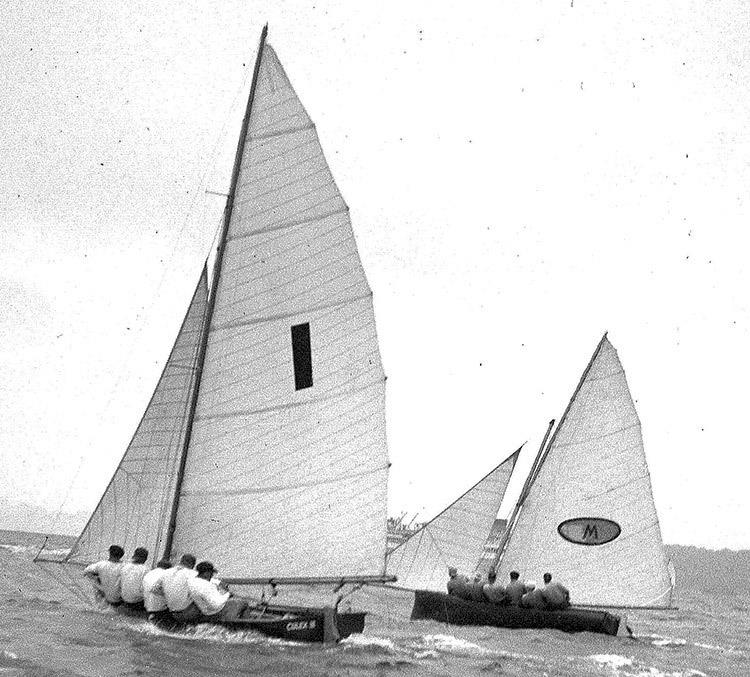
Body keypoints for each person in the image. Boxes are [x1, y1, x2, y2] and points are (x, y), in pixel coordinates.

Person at [171, 561, 248, 622]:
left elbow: (204, 584)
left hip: (204, 611)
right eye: (211, 573)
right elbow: (217, 604)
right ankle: (239, 622)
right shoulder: (207, 586)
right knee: (242, 602)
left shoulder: (191, 582)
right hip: (215, 611)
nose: (212, 576)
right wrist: (227, 594)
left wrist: (217, 584)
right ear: (206, 573)